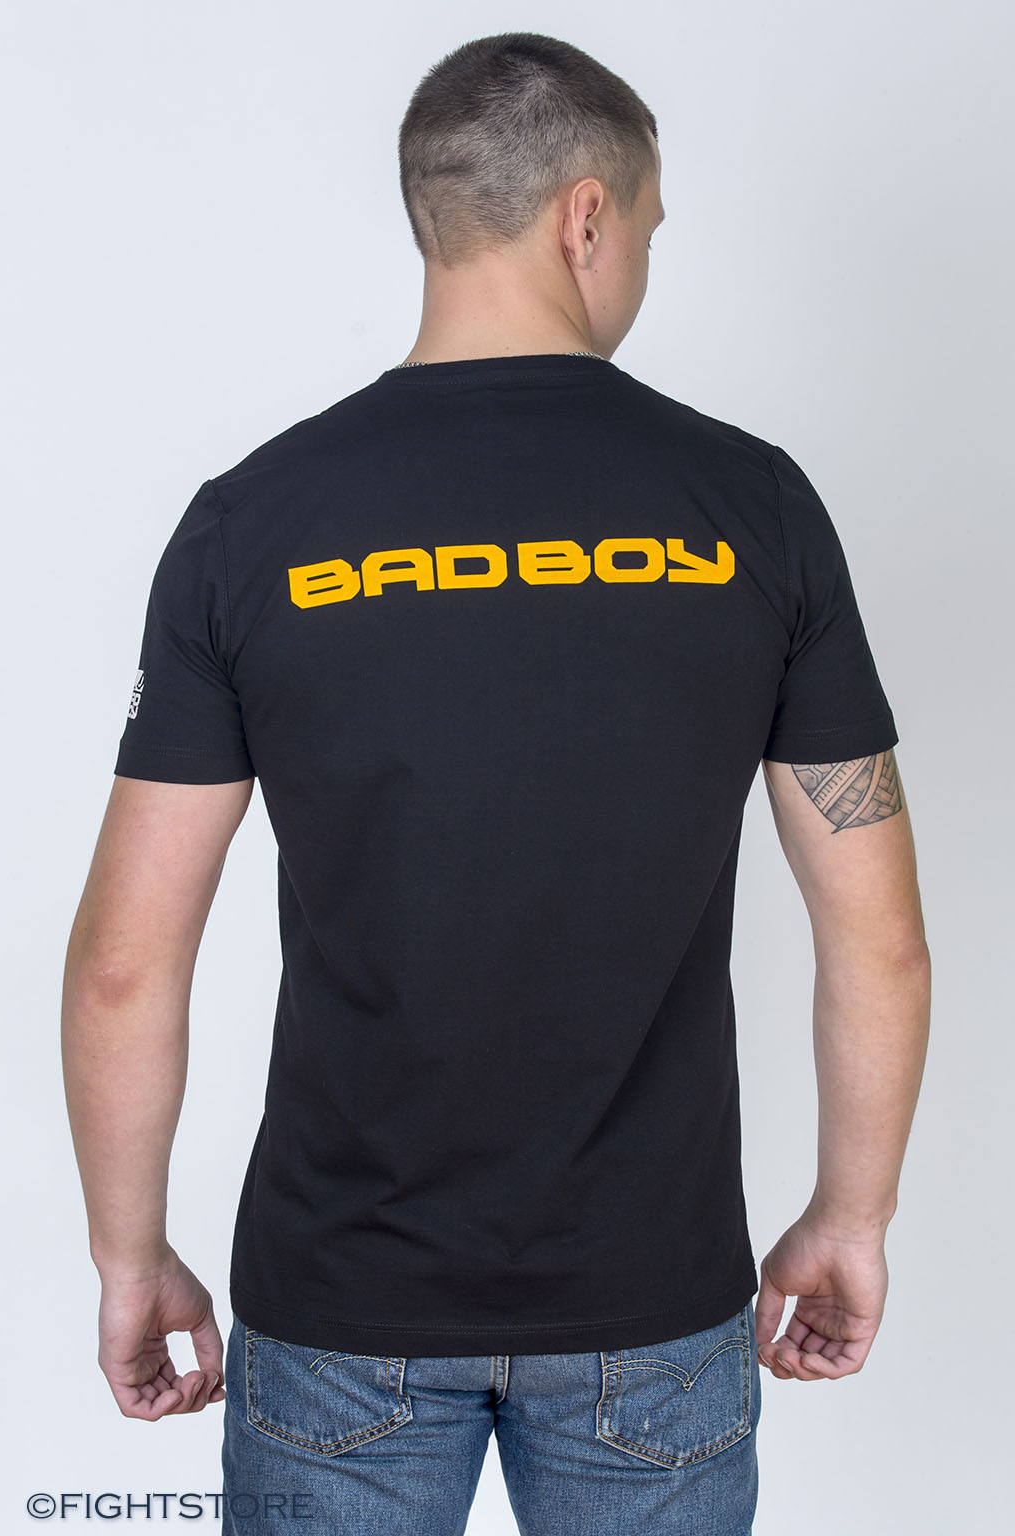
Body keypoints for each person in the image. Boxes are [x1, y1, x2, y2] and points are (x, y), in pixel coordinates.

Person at [61, 30, 931, 1536]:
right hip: (652, 1307)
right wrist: (851, 1218)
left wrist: (127, 1259)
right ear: (585, 216)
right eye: (647, 224)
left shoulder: (251, 524)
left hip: (338, 1301)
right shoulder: (756, 509)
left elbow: (126, 966)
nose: (642, 257)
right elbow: (881, 938)